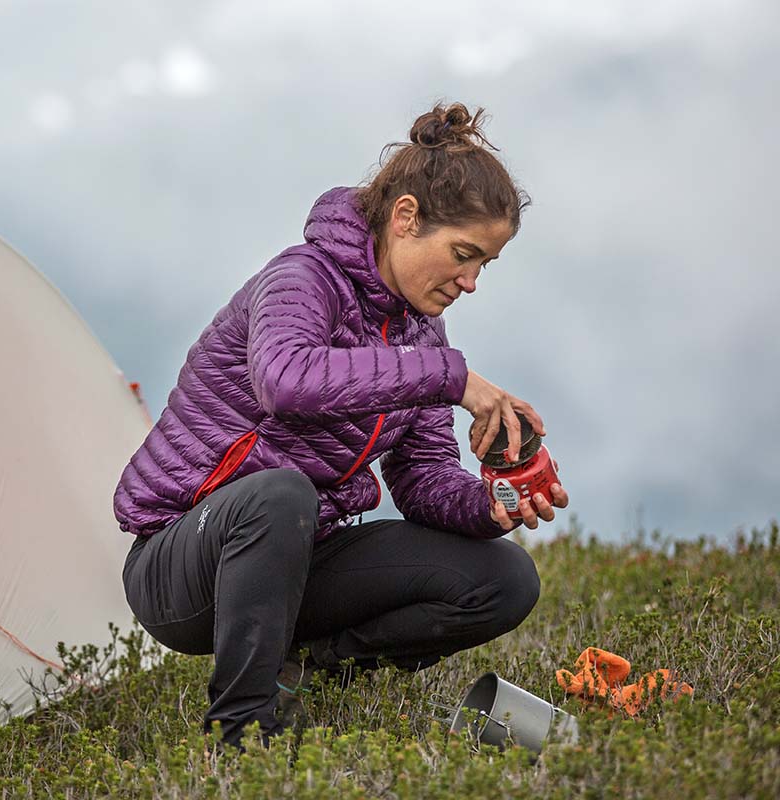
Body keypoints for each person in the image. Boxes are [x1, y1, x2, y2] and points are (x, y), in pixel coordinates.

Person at [113, 102, 569, 748]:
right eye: (463, 254)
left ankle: (312, 673)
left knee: (505, 580)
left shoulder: (421, 334)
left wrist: (490, 503)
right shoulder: (304, 279)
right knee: (280, 491)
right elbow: (285, 380)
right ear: (405, 217)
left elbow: (422, 478)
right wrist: (448, 377)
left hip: (298, 558)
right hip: (182, 564)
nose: (470, 282)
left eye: (484, 265)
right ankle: (242, 732)